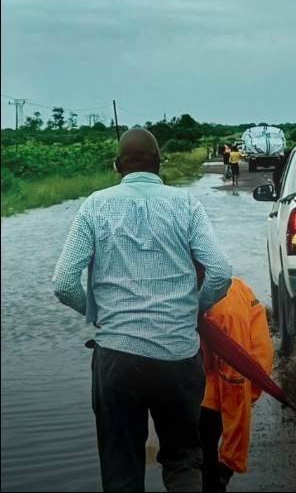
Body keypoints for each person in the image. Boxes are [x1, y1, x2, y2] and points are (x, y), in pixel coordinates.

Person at [52, 128, 232, 493]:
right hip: (179, 357)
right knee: (183, 458)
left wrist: (99, 315)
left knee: (122, 470)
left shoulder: (95, 205)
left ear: (118, 166)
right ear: (160, 163)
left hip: (117, 359)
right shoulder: (185, 205)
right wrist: (191, 310)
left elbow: (64, 283)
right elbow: (220, 272)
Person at [198, 276, 273, 493]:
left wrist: (229, 461)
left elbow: (237, 387)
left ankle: (215, 478)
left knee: (207, 460)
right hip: (209, 379)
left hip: (241, 373)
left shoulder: (225, 310)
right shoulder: (206, 296)